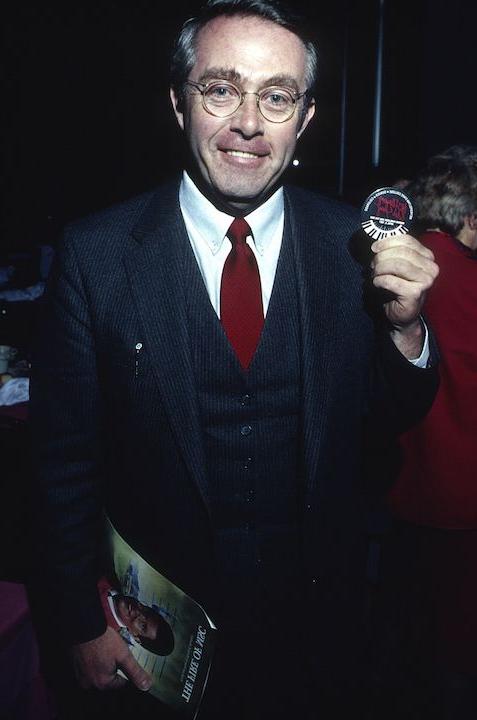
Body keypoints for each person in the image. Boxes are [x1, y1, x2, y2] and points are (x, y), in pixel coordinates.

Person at [31, 1, 439, 717]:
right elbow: (60, 464)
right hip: (158, 639)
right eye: (220, 89)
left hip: (318, 628)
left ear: (304, 119)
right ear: (178, 104)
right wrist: (78, 621)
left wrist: (406, 331)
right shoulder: (97, 254)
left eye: (276, 96)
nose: (248, 122)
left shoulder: (353, 248)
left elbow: (386, 419)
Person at [382, 146, 477, 718]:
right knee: (458, 650)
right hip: (464, 498)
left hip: (403, 488)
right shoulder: (462, 278)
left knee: (404, 633)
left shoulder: (403, 269)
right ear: (469, 216)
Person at [98, 577, 175, 657]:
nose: (137, 611)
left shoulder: (100, 627)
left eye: (143, 626)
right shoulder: (113, 579)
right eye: (146, 612)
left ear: (136, 637)